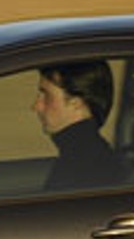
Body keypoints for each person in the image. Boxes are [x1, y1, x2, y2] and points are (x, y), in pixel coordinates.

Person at [32, 60, 119, 191]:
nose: (36, 107)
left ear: (76, 103)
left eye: (46, 96)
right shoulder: (88, 158)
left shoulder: (82, 169)